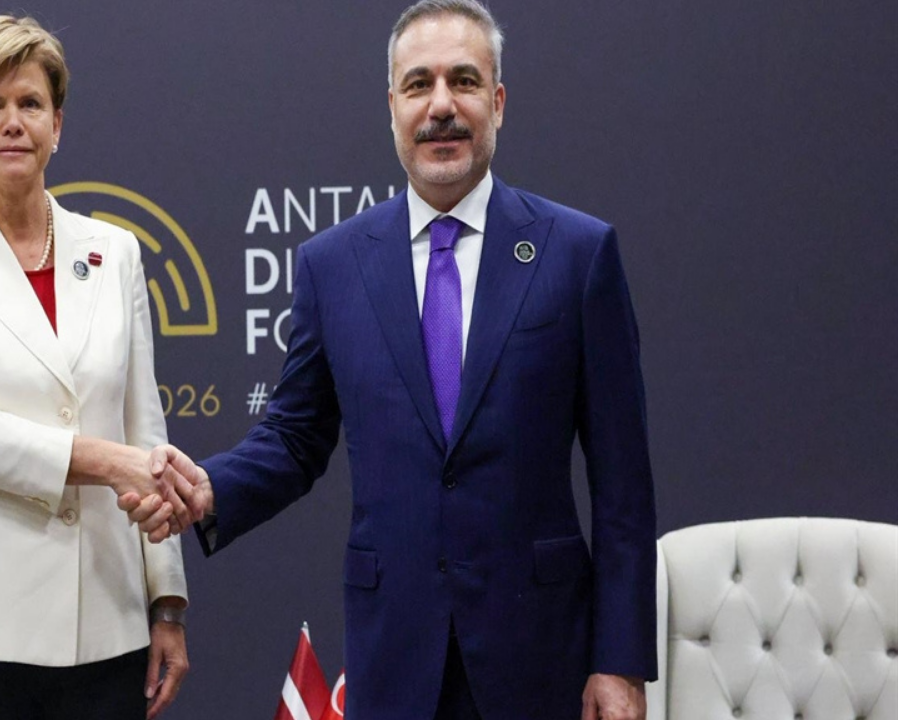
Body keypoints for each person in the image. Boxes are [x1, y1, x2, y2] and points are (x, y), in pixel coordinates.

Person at [125, 1, 656, 719]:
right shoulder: (333, 265)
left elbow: (624, 490)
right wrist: (211, 488)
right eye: (418, 84)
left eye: (463, 81)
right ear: (392, 107)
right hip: (396, 657)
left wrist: (620, 663)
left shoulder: (578, 254)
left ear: (498, 102)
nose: (441, 106)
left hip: (540, 655)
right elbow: (295, 437)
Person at [0, 15, 191, 720]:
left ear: (58, 124)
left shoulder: (115, 252)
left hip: (108, 620)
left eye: (30, 103)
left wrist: (167, 602)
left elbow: (144, 427)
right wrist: (108, 463)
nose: (13, 123)